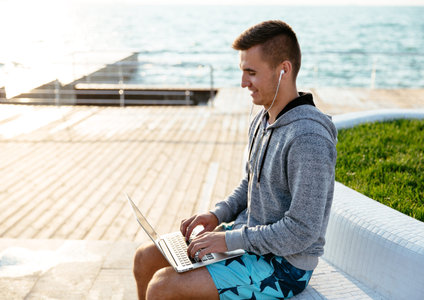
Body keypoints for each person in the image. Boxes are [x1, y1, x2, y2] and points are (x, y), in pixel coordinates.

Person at [133, 20, 337, 300]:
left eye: (251, 73)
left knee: (162, 287)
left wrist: (228, 240)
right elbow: (251, 183)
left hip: (284, 266)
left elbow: (303, 230)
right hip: (247, 237)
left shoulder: (308, 137)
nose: (243, 83)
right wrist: (217, 215)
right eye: (242, 72)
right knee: (144, 259)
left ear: (283, 70)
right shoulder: (263, 118)